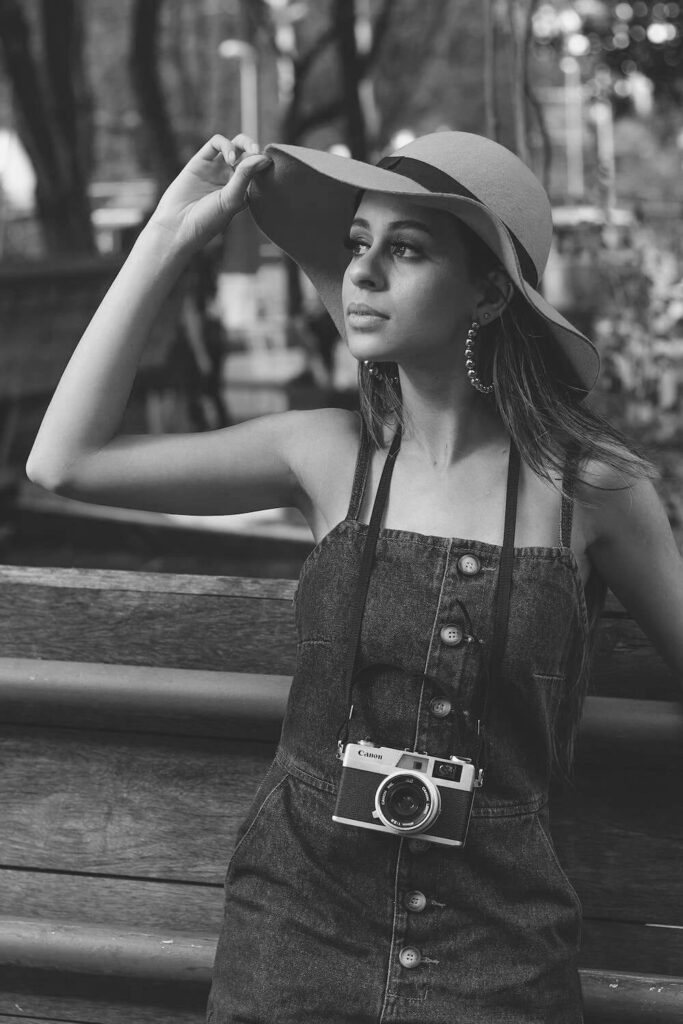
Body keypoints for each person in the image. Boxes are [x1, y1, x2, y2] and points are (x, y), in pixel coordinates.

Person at [26, 131, 683, 1023]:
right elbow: (63, 463)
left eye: (405, 249)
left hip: (497, 951)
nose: (363, 273)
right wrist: (173, 235)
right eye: (356, 244)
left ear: (489, 290)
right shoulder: (324, 454)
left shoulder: (594, 488)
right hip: (294, 933)